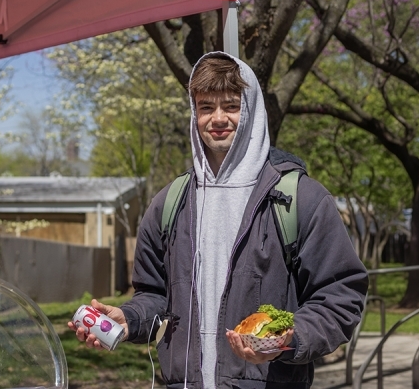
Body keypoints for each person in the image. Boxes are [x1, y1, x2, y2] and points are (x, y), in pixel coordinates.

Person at [68, 52, 369, 389]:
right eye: (206, 107)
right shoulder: (170, 202)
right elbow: (155, 293)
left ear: (252, 111)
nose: (218, 118)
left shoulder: (302, 199)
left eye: (231, 105)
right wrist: (130, 318)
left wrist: (285, 340)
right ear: (194, 113)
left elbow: (341, 295)